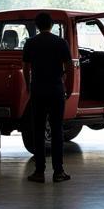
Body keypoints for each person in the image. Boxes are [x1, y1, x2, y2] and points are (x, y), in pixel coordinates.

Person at [22, 12, 72, 183]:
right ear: (51, 25)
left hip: (38, 90)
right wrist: (68, 85)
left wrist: (29, 86)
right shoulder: (61, 43)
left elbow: (26, 67)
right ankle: (58, 172)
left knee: (39, 130)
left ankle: (39, 171)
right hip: (56, 90)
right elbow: (69, 66)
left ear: (37, 26)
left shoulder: (31, 43)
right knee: (57, 130)